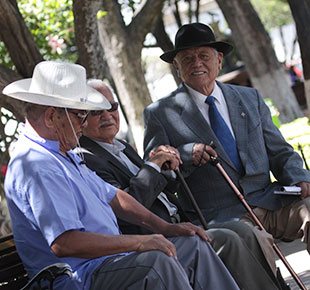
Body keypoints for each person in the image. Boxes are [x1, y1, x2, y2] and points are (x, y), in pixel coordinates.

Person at [3, 60, 239, 290]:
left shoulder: (61, 153)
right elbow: (64, 243)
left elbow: (114, 197)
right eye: (79, 115)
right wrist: (139, 242)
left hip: (107, 263)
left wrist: (165, 228)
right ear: (51, 117)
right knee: (157, 263)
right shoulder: (36, 164)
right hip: (80, 277)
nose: (83, 124)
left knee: (194, 244)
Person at [143, 21, 310, 280]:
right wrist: (185, 155)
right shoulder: (160, 114)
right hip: (220, 216)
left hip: (269, 201)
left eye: (203, 56)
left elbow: (280, 151)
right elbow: (158, 176)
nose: (196, 63)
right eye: (187, 58)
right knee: (255, 240)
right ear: (176, 67)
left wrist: (298, 176)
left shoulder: (249, 97)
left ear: (219, 60)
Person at [79, 79, 285, 290]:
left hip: (181, 222)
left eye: (111, 107)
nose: (107, 115)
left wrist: (170, 166)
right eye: (96, 111)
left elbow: (158, 189)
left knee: (244, 232)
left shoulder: (121, 146)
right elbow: (127, 206)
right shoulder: (86, 157)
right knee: (227, 240)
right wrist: (152, 166)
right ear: (81, 117)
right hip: (152, 236)